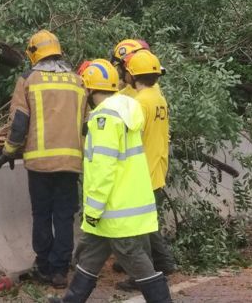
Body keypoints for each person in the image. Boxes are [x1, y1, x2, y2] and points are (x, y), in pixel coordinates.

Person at [51, 59, 172, 303]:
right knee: (92, 256)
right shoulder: (126, 110)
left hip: (114, 208)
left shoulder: (103, 119)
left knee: (133, 256)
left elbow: (104, 169)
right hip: (122, 203)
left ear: (89, 89)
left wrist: (93, 208)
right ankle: (71, 300)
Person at [0, 30, 86, 288]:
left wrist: (9, 151)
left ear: (33, 54)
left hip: (40, 164)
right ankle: (60, 272)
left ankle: (44, 267)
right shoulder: (78, 81)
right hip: (70, 164)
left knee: (42, 215)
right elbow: (86, 124)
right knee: (65, 217)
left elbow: (19, 123)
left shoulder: (28, 80)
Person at [115, 50, 177, 291]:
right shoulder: (158, 98)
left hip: (142, 172)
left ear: (132, 75)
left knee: (139, 228)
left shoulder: (139, 103)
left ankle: (145, 275)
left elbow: (128, 137)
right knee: (149, 225)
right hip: (157, 167)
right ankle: (164, 263)